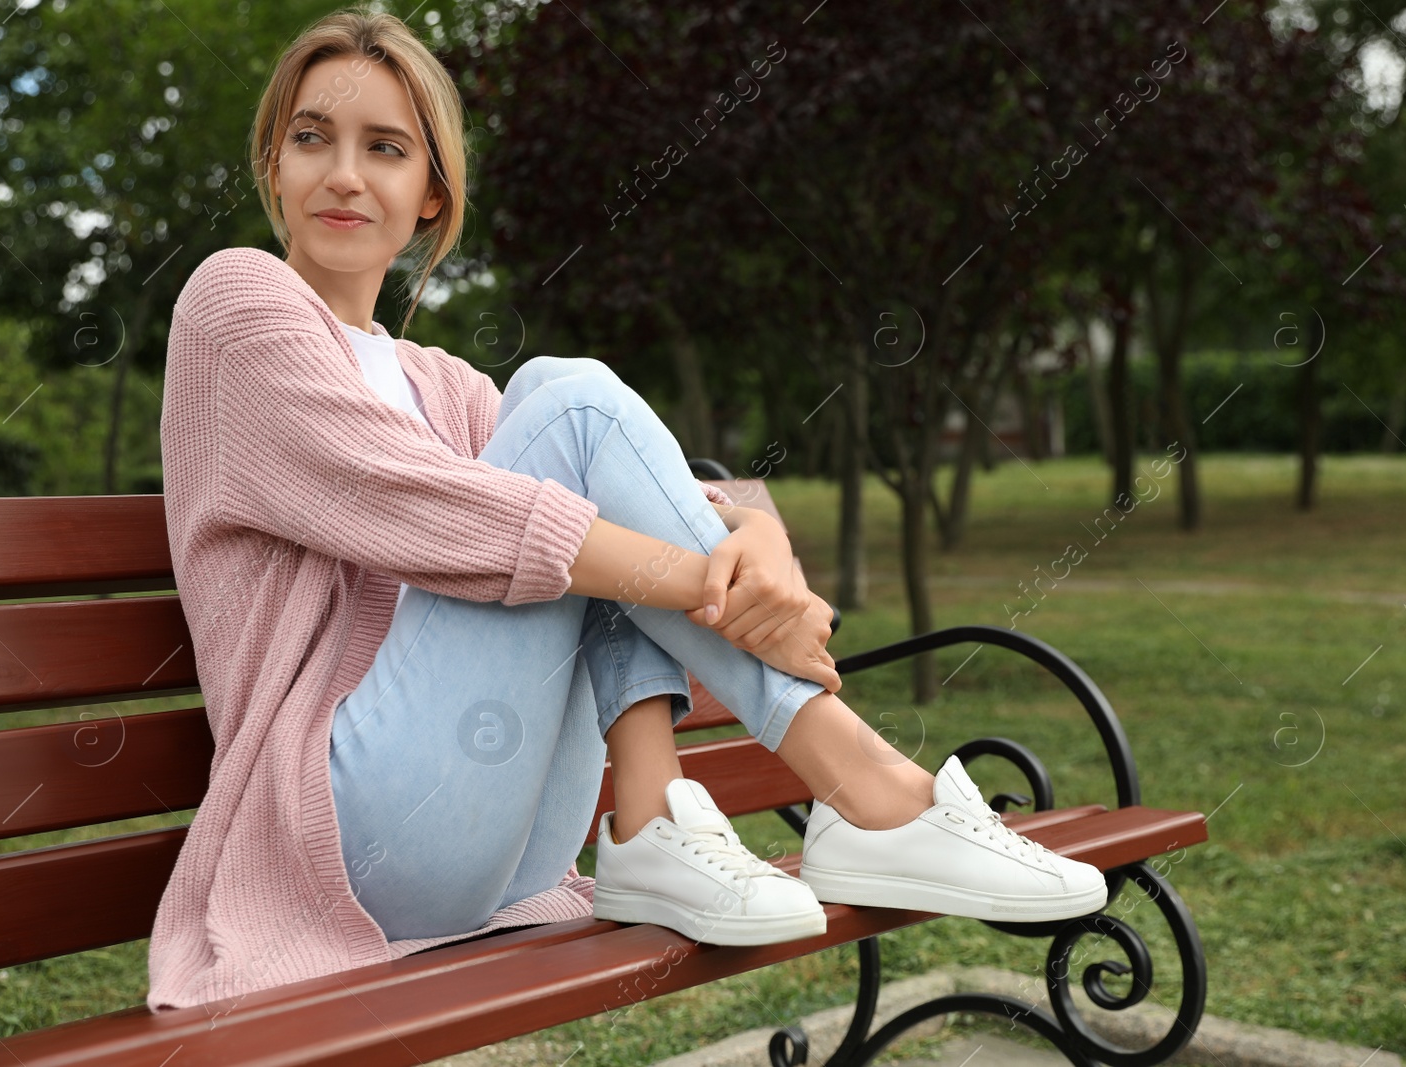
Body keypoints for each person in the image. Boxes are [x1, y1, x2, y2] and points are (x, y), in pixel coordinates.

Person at [149, 8, 1105, 1012]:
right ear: (273, 163)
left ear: (431, 195)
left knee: (568, 439)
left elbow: (607, 506)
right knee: (568, 400)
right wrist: (707, 580)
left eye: (384, 148)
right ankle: (866, 789)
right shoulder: (236, 306)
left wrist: (761, 536)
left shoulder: (443, 384)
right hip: (341, 836)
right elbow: (432, 509)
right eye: (313, 138)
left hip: (503, 847)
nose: (343, 173)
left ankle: (655, 819)